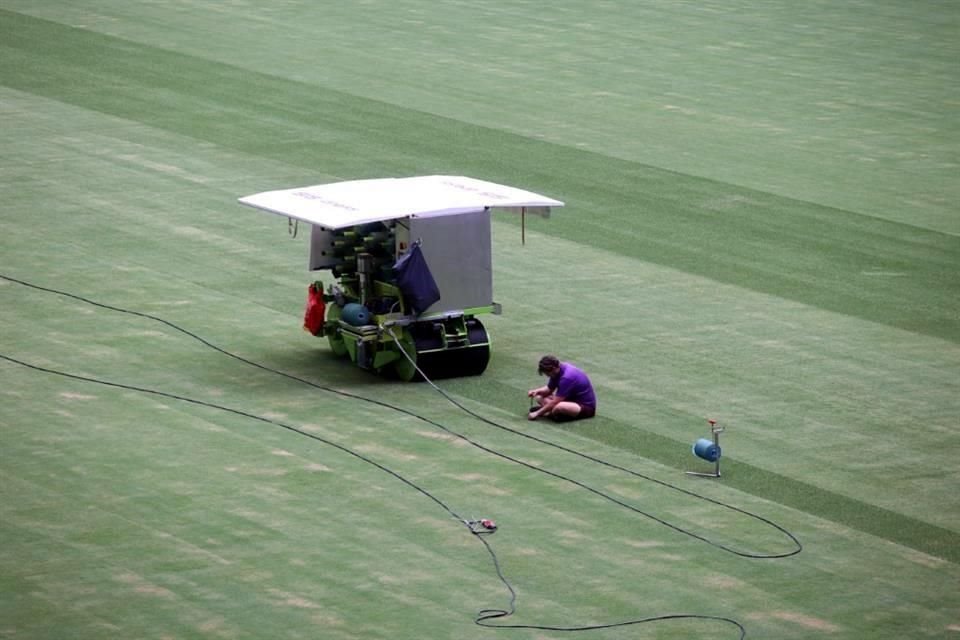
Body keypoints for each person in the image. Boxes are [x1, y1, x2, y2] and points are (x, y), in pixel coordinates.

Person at [527, 355, 597, 422]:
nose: (548, 376)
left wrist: (536, 413)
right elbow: (549, 390)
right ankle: (550, 412)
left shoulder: (567, 378)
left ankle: (550, 413)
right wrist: (536, 391)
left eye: (547, 374)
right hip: (569, 401)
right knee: (539, 397)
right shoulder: (557, 372)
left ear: (553, 369)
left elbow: (555, 402)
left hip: (585, 407)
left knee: (558, 407)